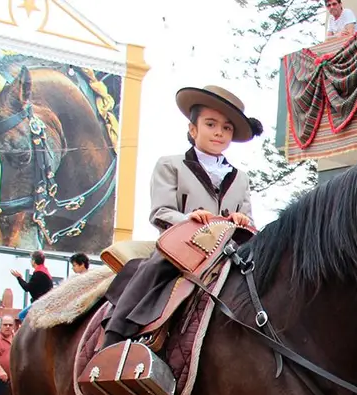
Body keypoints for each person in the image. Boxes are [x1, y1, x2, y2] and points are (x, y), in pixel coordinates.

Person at [100, 84, 261, 351]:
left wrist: (242, 221)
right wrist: (189, 218)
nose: (219, 132)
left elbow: (248, 217)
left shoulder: (241, 178)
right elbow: (160, 212)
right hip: (183, 248)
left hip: (229, 252)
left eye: (227, 128)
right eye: (211, 124)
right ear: (193, 129)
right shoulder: (170, 164)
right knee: (153, 270)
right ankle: (115, 335)